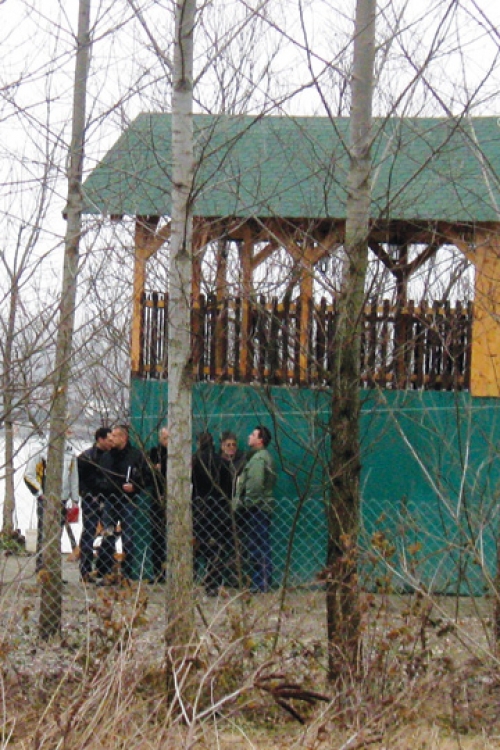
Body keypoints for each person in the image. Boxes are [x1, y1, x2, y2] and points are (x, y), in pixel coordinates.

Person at [98, 425, 152, 583]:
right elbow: (101, 477)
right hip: (110, 499)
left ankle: (127, 573)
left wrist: (135, 486)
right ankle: (105, 571)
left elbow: (147, 476)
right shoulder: (106, 457)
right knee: (108, 535)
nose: (111, 438)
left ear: (123, 438)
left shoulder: (136, 456)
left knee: (128, 537)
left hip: (128, 500)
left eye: (115, 436)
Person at [24, 437, 80, 572]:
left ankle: (54, 568)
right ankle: (41, 567)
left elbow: (74, 476)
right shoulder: (39, 449)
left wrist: (74, 499)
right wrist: (40, 493)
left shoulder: (70, 451)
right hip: (45, 499)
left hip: (63, 499)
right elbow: (28, 475)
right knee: (44, 533)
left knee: (57, 535)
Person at [234, 425, 276, 593]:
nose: (249, 436)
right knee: (259, 544)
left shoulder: (258, 459)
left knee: (258, 545)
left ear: (260, 440)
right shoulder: (260, 457)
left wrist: (247, 503)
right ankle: (261, 582)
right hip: (260, 507)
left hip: (257, 509)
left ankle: (261, 583)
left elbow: (255, 484)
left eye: (253, 434)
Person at [192, 431, 226, 595]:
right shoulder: (221, 461)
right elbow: (228, 484)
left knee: (195, 545)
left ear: (199, 443)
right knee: (214, 547)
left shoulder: (195, 460)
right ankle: (212, 584)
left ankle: (190, 580)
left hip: (199, 507)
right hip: (218, 508)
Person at [77, 426, 112, 583]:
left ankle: (103, 567)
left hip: (108, 498)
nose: (111, 443)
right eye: (108, 440)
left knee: (109, 532)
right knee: (89, 532)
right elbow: (79, 480)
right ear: (100, 439)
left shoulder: (111, 457)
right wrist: (86, 494)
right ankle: (85, 569)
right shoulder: (86, 458)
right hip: (91, 499)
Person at [218, 431, 245, 586]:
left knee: (236, 544)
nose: (231, 448)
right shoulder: (218, 462)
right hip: (220, 507)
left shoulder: (241, 462)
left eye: (234, 445)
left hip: (235, 508)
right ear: (222, 446)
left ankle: (235, 578)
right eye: (228, 445)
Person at [148, 426, 168, 582]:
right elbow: (149, 472)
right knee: (157, 536)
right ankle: (158, 571)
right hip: (157, 497)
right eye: (165, 438)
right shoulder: (154, 453)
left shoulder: (178, 454)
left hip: (173, 497)